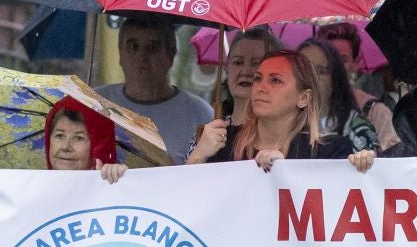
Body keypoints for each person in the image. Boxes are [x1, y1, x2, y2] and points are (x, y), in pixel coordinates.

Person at [188, 50, 376, 173]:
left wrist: (362, 167)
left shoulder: (331, 151)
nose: (260, 88)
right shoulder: (222, 142)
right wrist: (199, 154)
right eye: (257, 79)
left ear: (304, 98)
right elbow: (185, 205)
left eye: (275, 80)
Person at [95, 15, 214, 164]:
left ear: (171, 54)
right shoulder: (93, 102)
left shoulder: (200, 114)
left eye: (152, 47)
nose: (141, 56)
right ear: (120, 53)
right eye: (132, 46)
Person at [298, 37, 385, 153]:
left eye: (320, 71)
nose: (312, 78)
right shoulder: (285, 126)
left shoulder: (358, 130)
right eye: (303, 70)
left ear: (335, 78)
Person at [43, 99, 129, 184]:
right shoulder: (33, 189)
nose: (65, 147)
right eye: (59, 135)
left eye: (78, 138)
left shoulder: (114, 188)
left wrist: (119, 181)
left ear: (99, 145)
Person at [215, 27, 276, 126]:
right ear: (227, 68)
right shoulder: (209, 132)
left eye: (256, 63)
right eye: (238, 62)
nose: (246, 71)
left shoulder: (287, 135)